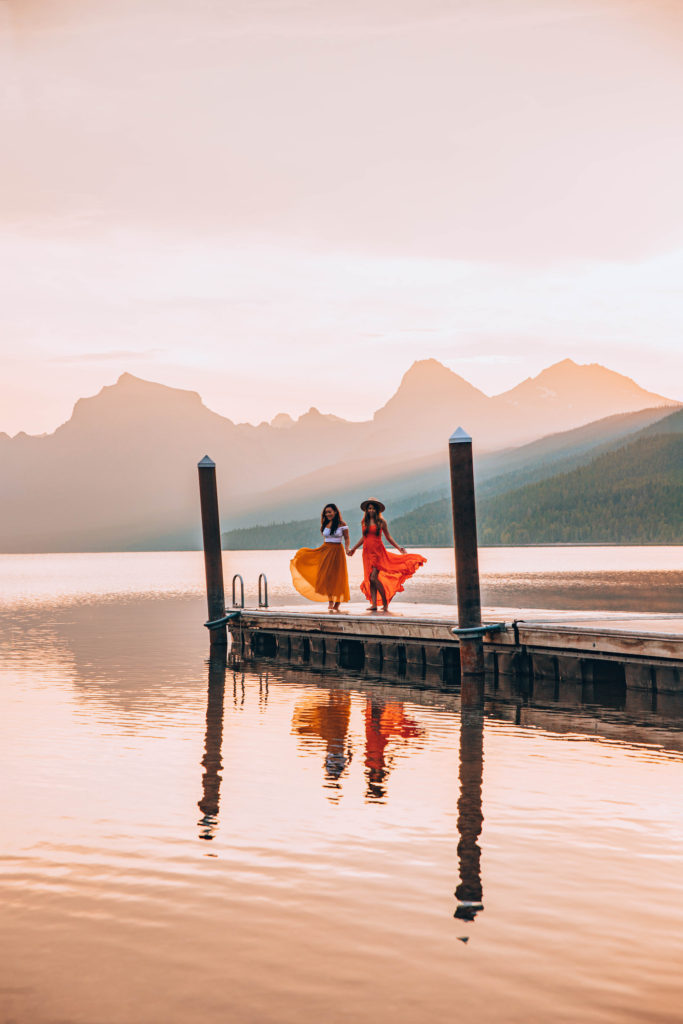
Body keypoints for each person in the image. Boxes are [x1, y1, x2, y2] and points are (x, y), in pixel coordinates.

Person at [348, 498, 426, 611]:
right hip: (367, 552)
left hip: (378, 552)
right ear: (366, 510)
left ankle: (385, 603)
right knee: (370, 579)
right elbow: (364, 538)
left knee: (374, 577)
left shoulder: (381, 522)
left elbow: (388, 537)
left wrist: (399, 548)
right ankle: (374, 605)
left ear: (377, 510)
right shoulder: (364, 522)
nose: (371, 510)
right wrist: (354, 548)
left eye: (373, 508)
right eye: (369, 508)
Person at [290, 503, 352, 612]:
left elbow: (346, 538)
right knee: (326, 576)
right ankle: (330, 601)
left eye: (330, 512)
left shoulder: (342, 524)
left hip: (337, 551)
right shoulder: (325, 523)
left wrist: (347, 549)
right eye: (326, 512)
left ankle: (337, 603)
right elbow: (326, 538)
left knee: (338, 576)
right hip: (325, 550)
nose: (328, 514)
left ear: (335, 512)